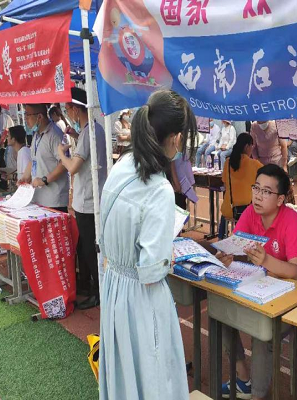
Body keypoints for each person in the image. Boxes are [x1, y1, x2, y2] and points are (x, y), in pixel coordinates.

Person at [98, 90, 196, 400]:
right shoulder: (159, 189)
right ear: (175, 138)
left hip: (114, 286)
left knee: (125, 374)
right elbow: (151, 270)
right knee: (154, 375)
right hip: (142, 297)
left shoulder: (123, 164)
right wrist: (169, 255)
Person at [219, 164, 297, 400]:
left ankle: (258, 395)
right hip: (263, 289)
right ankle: (243, 378)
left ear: (280, 199)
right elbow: (235, 244)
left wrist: (266, 260)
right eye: (256, 188)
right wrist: (225, 256)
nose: (258, 196)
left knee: (262, 333)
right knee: (221, 312)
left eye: (266, 191)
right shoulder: (250, 213)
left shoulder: (291, 221)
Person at [58, 88, 108, 308]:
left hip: (88, 200)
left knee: (90, 248)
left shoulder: (89, 132)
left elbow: (73, 167)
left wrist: (61, 154)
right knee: (90, 247)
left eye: (68, 109)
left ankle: (97, 291)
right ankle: (94, 288)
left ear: (76, 110)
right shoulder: (94, 129)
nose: (67, 113)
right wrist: (76, 137)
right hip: (91, 197)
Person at [20, 103, 70, 212]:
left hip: (53, 200)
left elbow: (64, 163)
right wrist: (25, 177)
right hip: (38, 197)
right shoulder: (37, 134)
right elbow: (34, 159)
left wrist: (44, 180)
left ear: (39, 117)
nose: (26, 119)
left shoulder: (55, 134)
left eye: (28, 115)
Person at [219, 133, 263, 238]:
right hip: (246, 211)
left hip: (229, 209)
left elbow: (225, 183)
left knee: (224, 215)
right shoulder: (254, 164)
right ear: (247, 146)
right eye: (252, 146)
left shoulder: (228, 162)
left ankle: (221, 237)